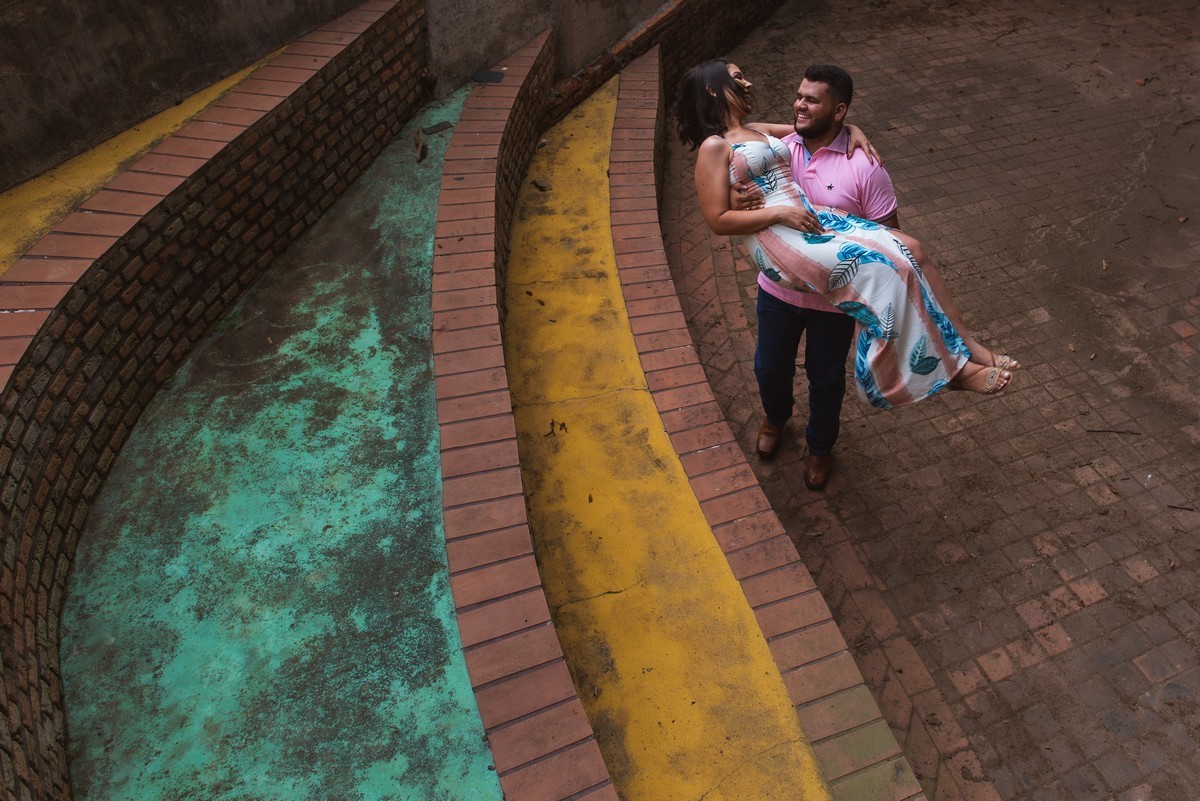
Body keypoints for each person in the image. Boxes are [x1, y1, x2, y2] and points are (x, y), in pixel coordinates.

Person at [677, 59, 1018, 485]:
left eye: (744, 74)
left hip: (812, 228)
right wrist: (777, 211)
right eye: (735, 77)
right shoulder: (714, 147)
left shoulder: (757, 132)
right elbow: (716, 220)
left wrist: (853, 129)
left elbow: (805, 128)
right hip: (785, 244)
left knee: (909, 248)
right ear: (712, 90)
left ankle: (962, 352)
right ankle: (927, 373)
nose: (747, 81)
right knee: (788, 353)